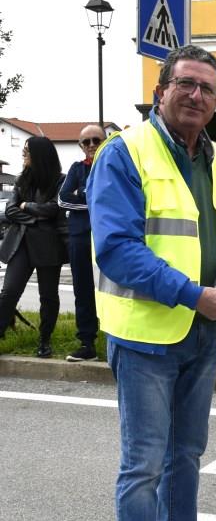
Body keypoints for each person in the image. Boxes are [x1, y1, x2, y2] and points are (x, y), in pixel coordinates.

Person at [87, 45, 216, 521]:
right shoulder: (124, 152)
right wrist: (193, 295)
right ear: (161, 89)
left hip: (201, 333)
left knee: (185, 455)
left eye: (208, 89)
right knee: (143, 466)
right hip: (147, 336)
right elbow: (117, 249)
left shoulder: (214, 158)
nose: (197, 96)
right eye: (186, 83)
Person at [0, 137, 66, 358]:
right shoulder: (21, 181)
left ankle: (44, 341)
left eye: (27, 150)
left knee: (48, 296)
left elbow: (53, 209)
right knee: (9, 292)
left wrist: (27, 206)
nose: (23, 154)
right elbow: (10, 211)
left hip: (48, 247)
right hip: (21, 244)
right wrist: (36, 219)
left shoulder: (60, 181)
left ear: (39, 154)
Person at [57, 124, 106, 361]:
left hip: (108, 237)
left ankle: (119, 340)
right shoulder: (76, 169)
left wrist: (84, 196)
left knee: (114, 290)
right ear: (80, 146)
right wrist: (95, 203)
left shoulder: (113, 166)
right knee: (83, 289)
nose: (91, 146)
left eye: (96, 140)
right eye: (86, 142)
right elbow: (63, 199)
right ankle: (87, 343)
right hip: (80, 238)